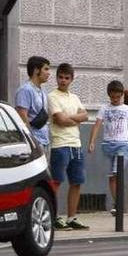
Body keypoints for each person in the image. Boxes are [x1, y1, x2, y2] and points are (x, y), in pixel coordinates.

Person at [47, 63, 89, 231]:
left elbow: (85, 115)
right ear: (57, 78)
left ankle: (72, 217)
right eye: (60, 77)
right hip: (60, 144)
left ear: (71, 79)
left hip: (76, 144)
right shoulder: (52, 96)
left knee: (77, 182)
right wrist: (75, 119)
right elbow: (59, 120)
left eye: (66, 78)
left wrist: (70, 118)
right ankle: (55, 216)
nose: (63, 81)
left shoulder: (74, 97)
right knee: (56, 182)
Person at [88, 80, 128, 215]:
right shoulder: (104, 108)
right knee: (112, 176)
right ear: (109, 95)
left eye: (117, 97)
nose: (115, 100)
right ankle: (117, 203)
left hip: (122, 144)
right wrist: (92, 141)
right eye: (112, 97)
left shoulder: (127, 109)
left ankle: (119, 203)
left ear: (121, 95)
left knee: (117, 173)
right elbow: (97, 125)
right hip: (108, 145)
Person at [15, 56, 51, 152]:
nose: (48, 73)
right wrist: (32, 140)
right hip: (34, 142)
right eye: (46, 69)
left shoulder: (42, 91)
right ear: (36, 70)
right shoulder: (25, 90)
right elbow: (22, 115)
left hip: (44, 141)